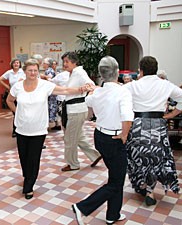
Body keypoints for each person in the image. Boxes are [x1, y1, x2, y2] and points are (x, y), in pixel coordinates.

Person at [6, 58, 90, 200]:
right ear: (25, 71)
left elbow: (65, 89)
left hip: (38, 129)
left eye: (35, 70)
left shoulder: (45, 85)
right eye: (30, 70)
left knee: (33, 158)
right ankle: (27, 176)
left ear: (38, 71)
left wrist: (80, 89)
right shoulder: (17, 87)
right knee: (24, 157)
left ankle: (29, 186)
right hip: (22, 128)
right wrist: (16, 113)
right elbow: (9, 100)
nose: (33, 73)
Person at [72, 56, 134, 225]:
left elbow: (88, 100)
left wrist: (93, 90)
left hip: (100, 137)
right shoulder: (123, 92)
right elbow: (127, 117)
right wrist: (124, 135)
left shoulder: (98, 92)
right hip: (115, 139)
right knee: (116, 181)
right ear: (118, 72)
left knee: (115, 177)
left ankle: (113, 214)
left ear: (101, 73)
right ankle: (83, 207)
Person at [124, 56, 181, 206]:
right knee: (155, 158)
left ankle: (141, 184)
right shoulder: (165, 85)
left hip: (138, 125)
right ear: (155, 70)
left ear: (141, 70)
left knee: (138, 156)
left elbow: (116, 95)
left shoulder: (132, 86)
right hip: (158, 125)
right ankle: (150, 190)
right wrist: (170, 115)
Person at [60, 51, 102, 172]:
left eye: (67, 61)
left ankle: (72, 164)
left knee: (69, 138)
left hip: (76, 110)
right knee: (78, 136)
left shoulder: (79, 72)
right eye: (64, 62)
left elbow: (90, 83)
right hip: (72, 110)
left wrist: (87, 88)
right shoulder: (72, 73)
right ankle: (95, 155)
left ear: (74, 62)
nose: (65, 64)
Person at [0, 58, 25, 137]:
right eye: (14, 63)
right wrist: (7, 87)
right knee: (15, 112)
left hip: (22, 94)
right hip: (13, 95)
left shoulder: (23, 72)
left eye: (18, 63)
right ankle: (15, 129)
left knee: (21, 112)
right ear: (12, 64)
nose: (16, 64)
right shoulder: (9, 72)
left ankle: (20, 129)